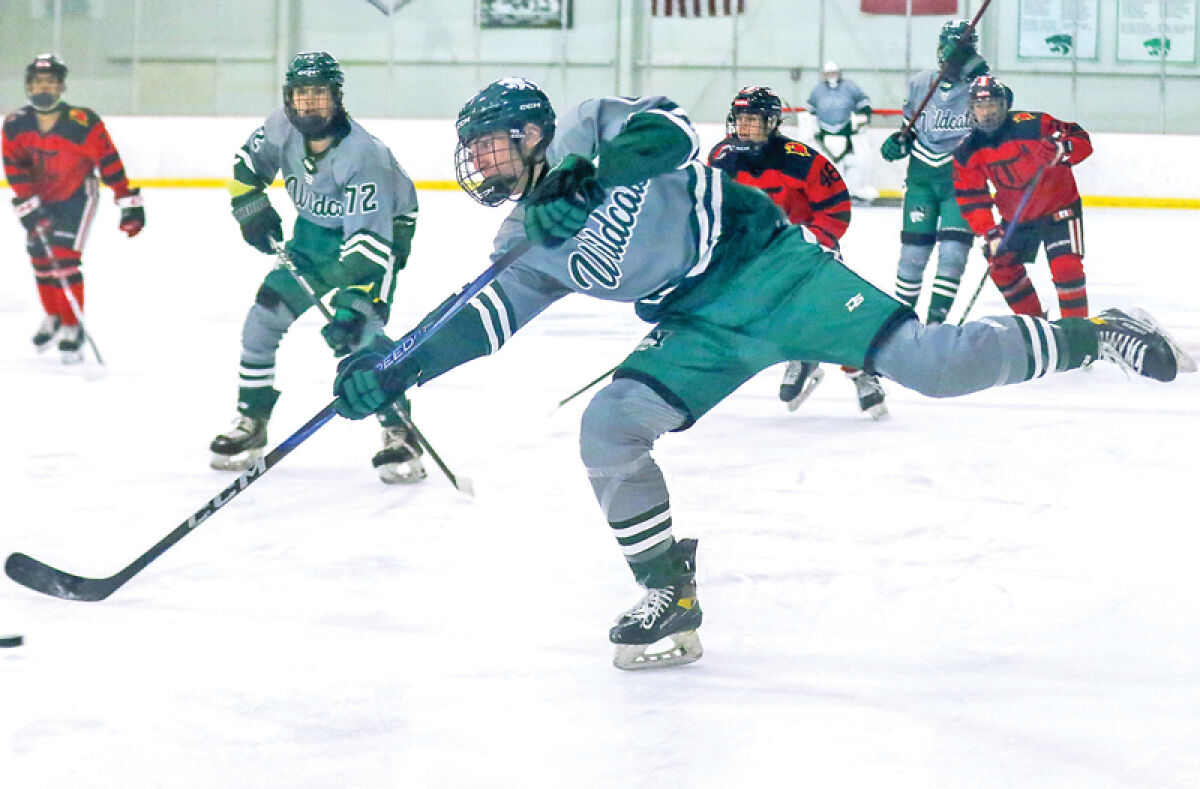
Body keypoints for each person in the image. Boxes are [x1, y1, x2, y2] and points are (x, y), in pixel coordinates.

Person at [330, 77, 1192, 670]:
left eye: (486, 149)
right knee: (609, 426)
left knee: (935, 366)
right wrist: (396, 367)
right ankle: (669, 593)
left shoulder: (590, 122)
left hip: (771, 267)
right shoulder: (523, 242)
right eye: (470, 155)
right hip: (698, 322)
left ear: (529, 134)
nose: (477, 165)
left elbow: (669, 133)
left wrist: (595, 175)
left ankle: (1096, 333)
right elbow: (484, 319)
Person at [207, 51, 425, 484]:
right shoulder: (280, 127)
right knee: (261, 321)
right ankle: (252, 421)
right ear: (289, 98)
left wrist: (356, 305)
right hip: (312, 235)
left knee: (358, 338)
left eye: (319, 95)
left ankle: (399, 430)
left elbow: (371, 249)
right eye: (301, 95)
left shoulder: (364, 156)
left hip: (378, 235)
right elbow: (245, 166)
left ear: (337, 98)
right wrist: (250, 206)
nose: (309, 105)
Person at [708, 86, 886, 418]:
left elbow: (836, 209)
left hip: (805, 249)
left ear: (772, 122)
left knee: (834, 315)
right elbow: (716, 209)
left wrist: (811, 243)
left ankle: (863, 374)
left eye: (752, 120)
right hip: (757, 255)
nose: (743, 127)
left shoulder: (801, 159)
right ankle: (801, 356)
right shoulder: (723, 158)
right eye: (740, 120)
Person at [2, 53, 144, 363]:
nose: (44, 88)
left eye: (51, 82)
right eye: (38, 82)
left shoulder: (82, 122)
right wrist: (28, 204)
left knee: (64, 258)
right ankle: (53, 316)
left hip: (77, 196)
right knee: (41, 258)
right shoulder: (15, 125)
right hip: (40, 198)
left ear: (62, 87)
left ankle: (71, 324)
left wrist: (127, 202)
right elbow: (13, 166)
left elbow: (108, 160)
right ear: (28, 86)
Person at [954, 76, 1092, 319]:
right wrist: (990, 233)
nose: (987, 114)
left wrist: (1061, 150)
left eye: (992, 106)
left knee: (1066, 268)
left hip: (1059, 208)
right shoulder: (968, 150)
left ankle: (1077, 330)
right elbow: (972, 198)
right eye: (980, 107)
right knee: (1001, 267)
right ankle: (1034, 324)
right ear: (971, 109)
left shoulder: (1034, 124)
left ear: (1005, 105)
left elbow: (1082, 140)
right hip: (1017, 219)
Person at [880, 20, 988, 325]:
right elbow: (911, 127)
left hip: (962, 179)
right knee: (912, 257)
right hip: (922, 178)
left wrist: (979, 73)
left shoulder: (981, 86)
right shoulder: (920, 84)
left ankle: (934, 327)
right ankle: (901, 324)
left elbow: (999, 111)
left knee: (953, 256)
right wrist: (900, 141)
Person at [805, 61, 878, 204]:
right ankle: (828, 195)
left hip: (848, 136)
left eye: (834, 73)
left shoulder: (850, 86)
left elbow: (864, 103)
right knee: (826, 167)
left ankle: (853, 192)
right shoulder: (817, 90)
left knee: (855, 164)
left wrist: (863, 114)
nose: (832, 76)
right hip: (825, 137)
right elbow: (810, 111)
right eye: (828, 74)